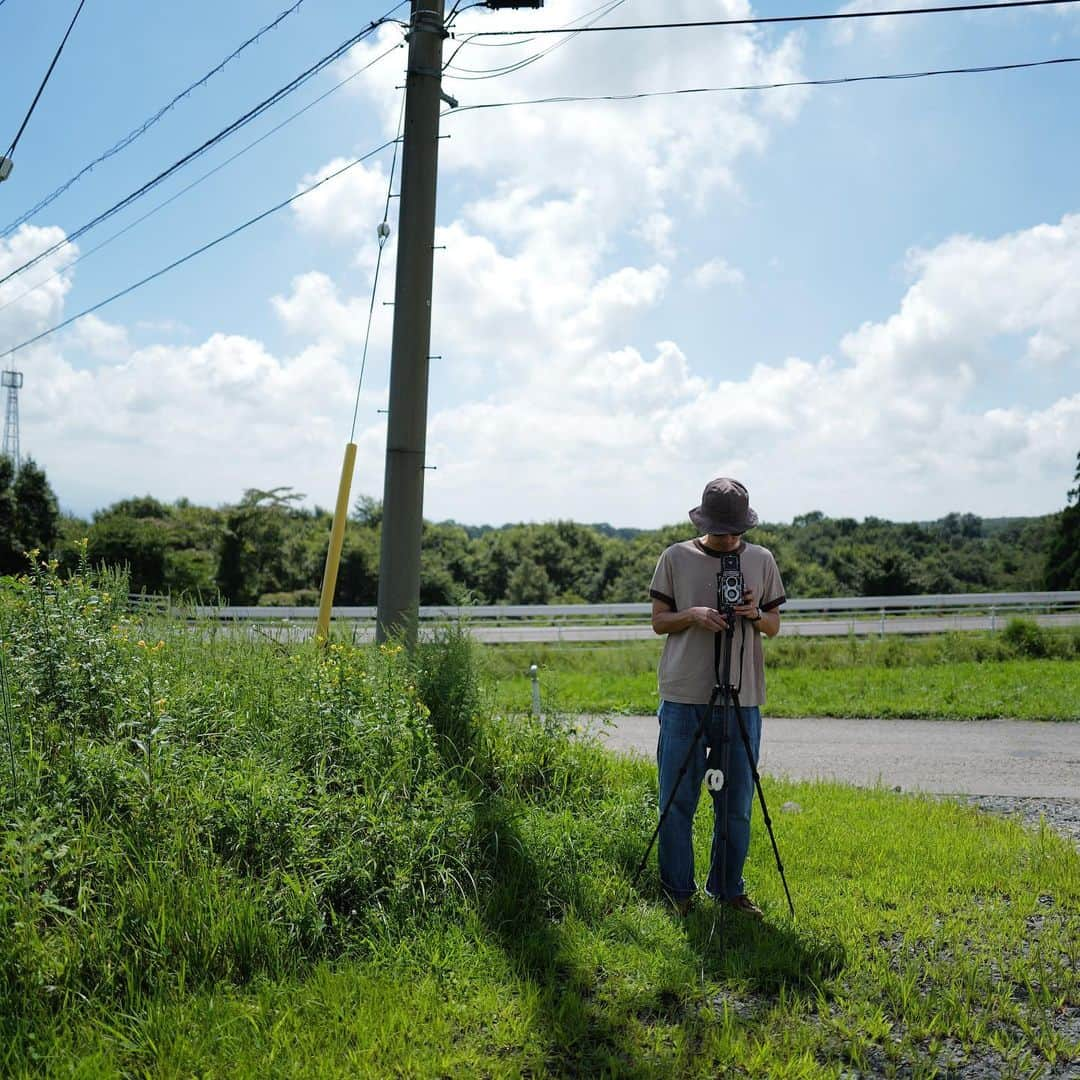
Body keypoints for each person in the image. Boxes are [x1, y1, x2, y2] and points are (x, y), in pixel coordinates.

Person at [648, 477, 785, 918]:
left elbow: (774, 625)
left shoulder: (762, 560)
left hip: (742, 697)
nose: (728, 539)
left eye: (735, 531)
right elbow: (658, 621)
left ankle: (728, 889)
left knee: (736, 804)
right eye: (721, 530)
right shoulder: (676, 557)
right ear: (704, 521)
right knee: (676, 798)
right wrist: (693, 615)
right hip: (685, 694)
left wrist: (755, 613)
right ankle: (677, 891)